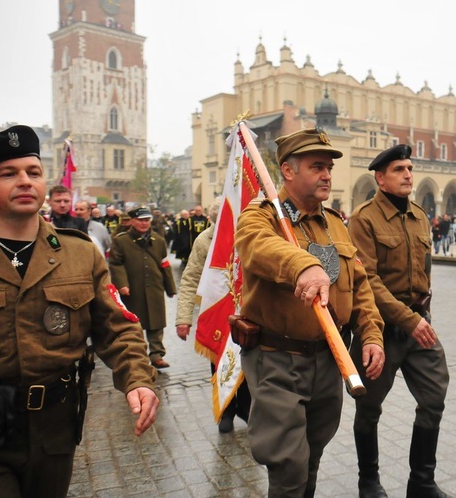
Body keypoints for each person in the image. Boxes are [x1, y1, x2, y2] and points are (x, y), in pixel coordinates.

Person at [0, 125, 159, 496]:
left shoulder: (79, 252)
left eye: (33, 172)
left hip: (55, 428)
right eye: (8, 173)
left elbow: (118, 326)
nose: (24, 181)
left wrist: (138, 378)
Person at [232, 127, 385, 497]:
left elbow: (359, 285)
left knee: (311, 456)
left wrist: (372, 334)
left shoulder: (334, 223)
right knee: (288, 464)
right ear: (287, 171)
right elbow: (258, 247)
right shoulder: (262, 216)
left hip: (329, 360)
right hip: (277, 360)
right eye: (317, 166)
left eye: (329, 168)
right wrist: (303, 265)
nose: (327, 175)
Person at [348, 144, 451, 498]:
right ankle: (369, 482)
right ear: (380, 177)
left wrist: (423, 316)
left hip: (418, 326)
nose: (408, 174)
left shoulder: (419, 216)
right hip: (381, 329)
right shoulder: (363, 219)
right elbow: (367, 281)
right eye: (399, 169)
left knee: (434, 396)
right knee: (369, 407)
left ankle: (421, 481)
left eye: (410, 168)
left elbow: (425, 272)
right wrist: (408, 320)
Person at [175, 199, 250, 433]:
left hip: (246, 310)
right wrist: (183, 318)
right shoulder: (204, 241)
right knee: (219, 362)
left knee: (247, 360)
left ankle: (246, 408)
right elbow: (189, 279)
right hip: (216, 312)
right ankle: (226, 410)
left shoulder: (249, 235)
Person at [110, 205, 177, 369]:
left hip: (154, 287)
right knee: (135, 323)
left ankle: (157, 354)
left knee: (156, 321)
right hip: (133, 288)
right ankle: (137, 354)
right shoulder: (121, 241)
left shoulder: (158, 240)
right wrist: (122, 284)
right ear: (132, 221)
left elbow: (164, 264)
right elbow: (116, 264)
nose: (144, 223)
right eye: (140, 220)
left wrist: (170, 288)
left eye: (146, 220)